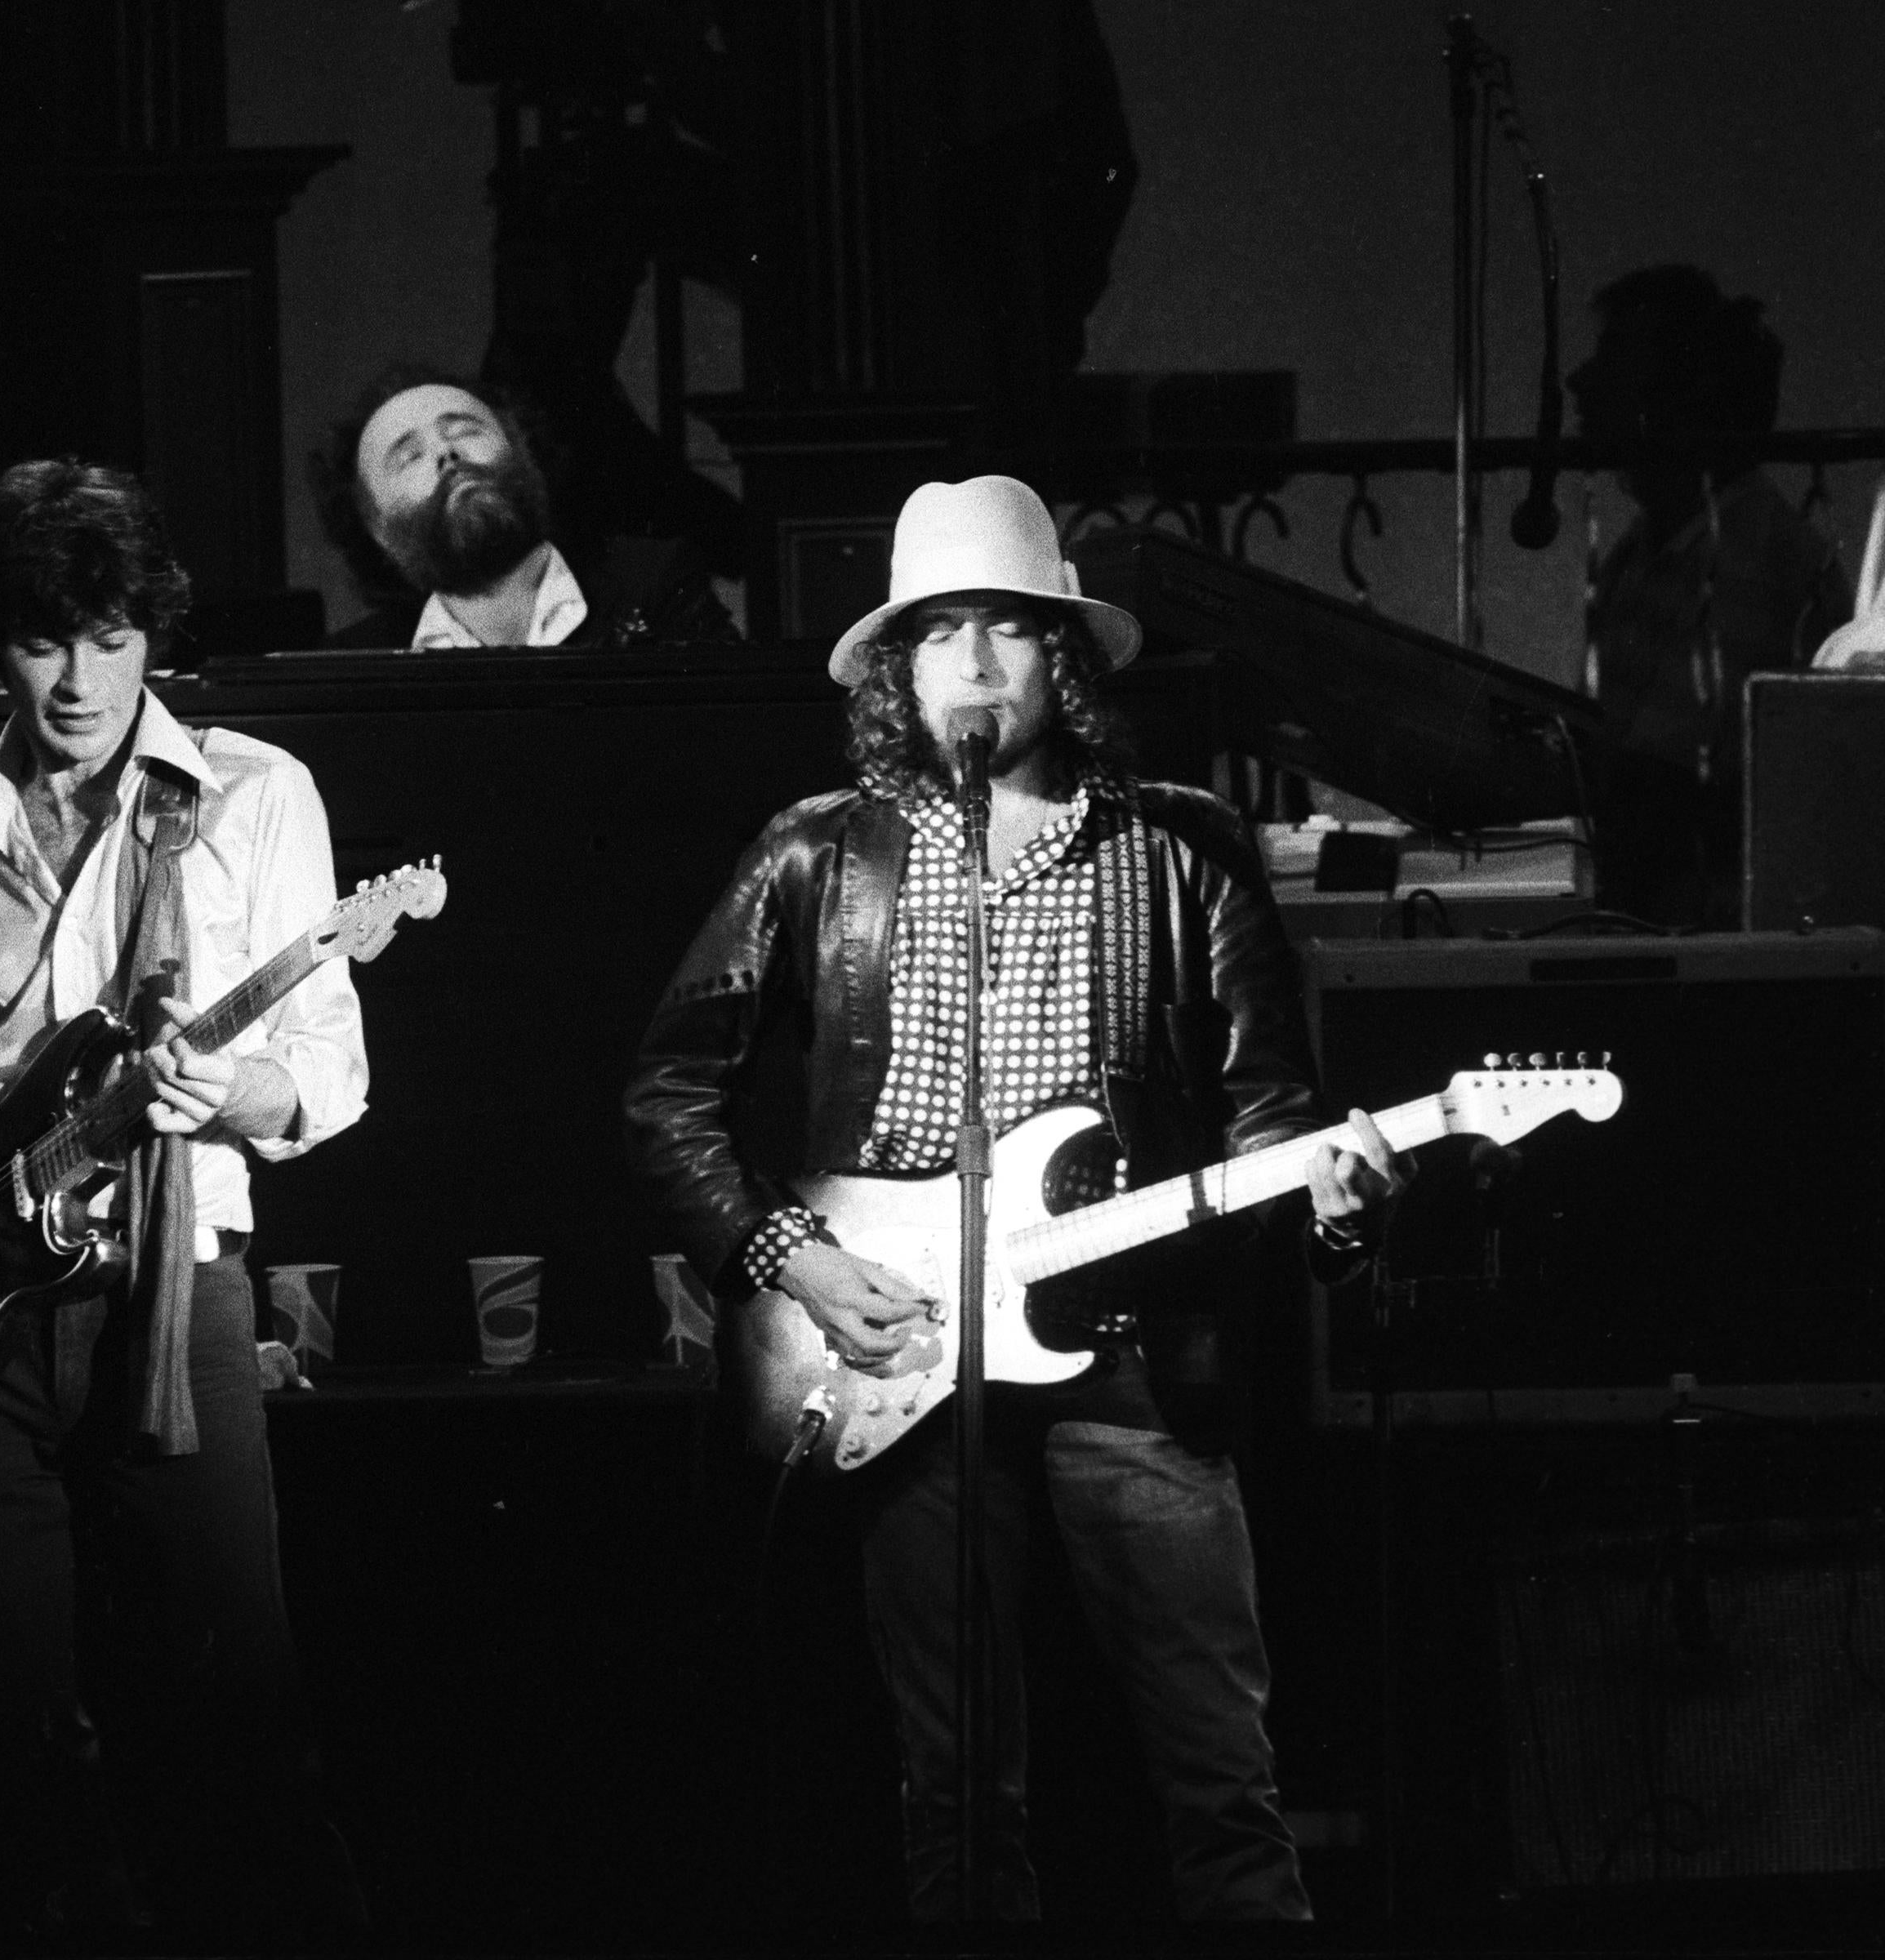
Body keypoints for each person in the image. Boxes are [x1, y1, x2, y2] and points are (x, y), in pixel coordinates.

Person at [622, 476, 1403, 1922]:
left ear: (1065, 658)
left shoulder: (1179, 849)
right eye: (938, 636)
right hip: (896, 1353)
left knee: (1219, 1783)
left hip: (1128, 1354)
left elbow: (1272, 1116)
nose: (972, 670)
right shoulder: (816, 851)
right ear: (896, 671)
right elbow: (665, 1091)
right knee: (955, 1798)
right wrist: (791, 1255)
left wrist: (1339, 1202)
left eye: (1005, 633)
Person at [0, 458, 369, 1944]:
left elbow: (324, 1076)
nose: (77, 679)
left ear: (150, 639)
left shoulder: (248, 797)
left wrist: (224, 1095)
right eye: (44, 639)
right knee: (7, 1747)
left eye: (108, 640)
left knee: (234, 1719)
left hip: (170, 1304)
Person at [1571, 265, 1849, 927]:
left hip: (1715, 937)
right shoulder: (1654, 545)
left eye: (1613, 359)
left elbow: (1667, 786)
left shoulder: (1752, 558)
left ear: (1675, 397)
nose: (1578, 382)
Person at [309, 365, 739, 649]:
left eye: (464, 429)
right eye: (409, 456)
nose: (446, 452)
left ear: (522, 454)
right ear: (378, 528)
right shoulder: (355, 663)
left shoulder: (654, 581)